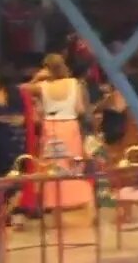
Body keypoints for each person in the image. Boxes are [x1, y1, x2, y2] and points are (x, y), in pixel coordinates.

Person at [28, 54, 93, 211]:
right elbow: (80, 109)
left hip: (50, 126)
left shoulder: (41, 86)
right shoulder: (73, 83)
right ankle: (76, 199)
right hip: (70, 124)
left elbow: (23, 89)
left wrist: (37, 78)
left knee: (52, 163)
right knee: (72, 162)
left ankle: (53, 201)